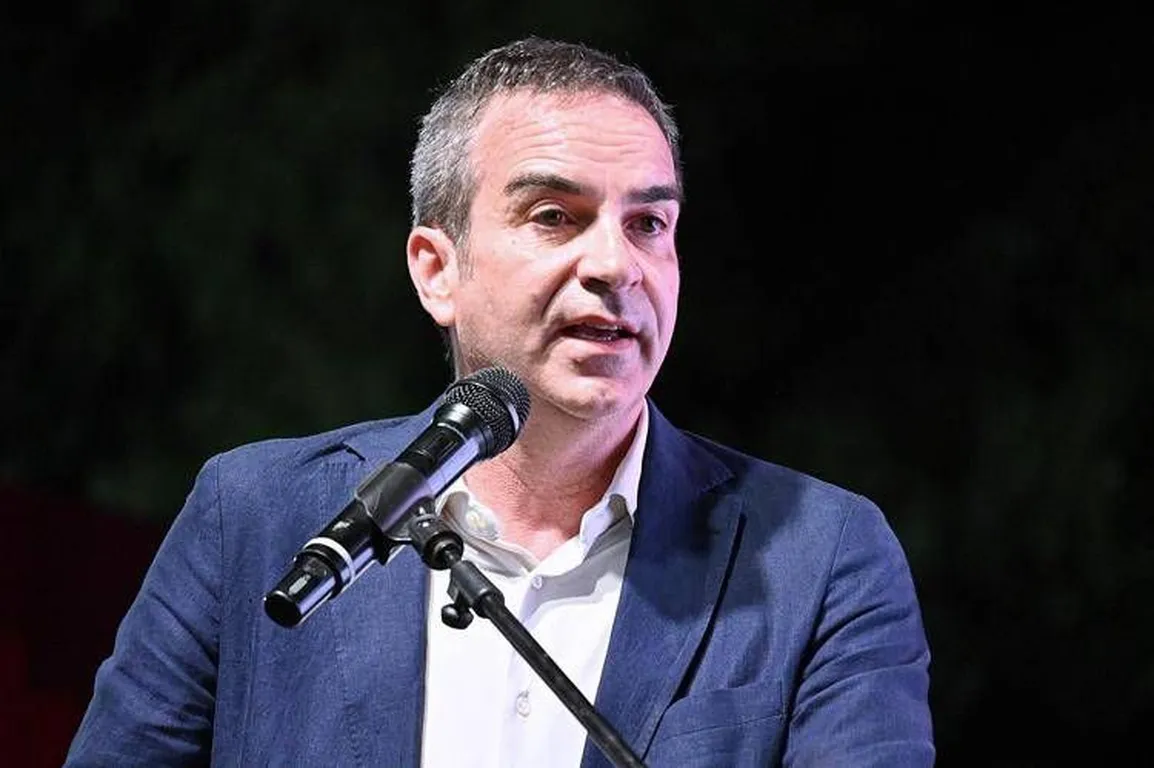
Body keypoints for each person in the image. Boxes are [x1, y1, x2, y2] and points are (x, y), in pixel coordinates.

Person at [66, 38, 933, 766]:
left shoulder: (819, 557)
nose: (616, 266)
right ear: (437, 271)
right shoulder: (255, 516)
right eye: (554, 215)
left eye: (648, 224)